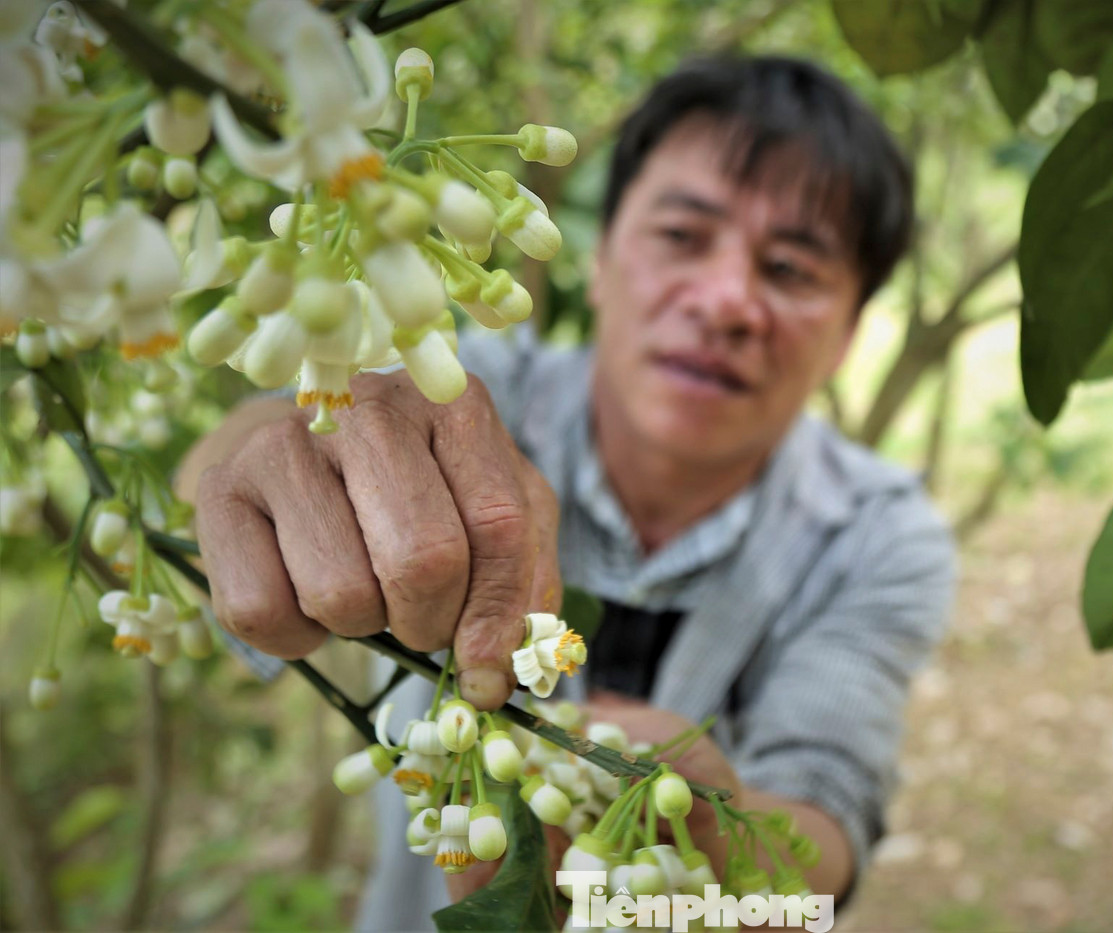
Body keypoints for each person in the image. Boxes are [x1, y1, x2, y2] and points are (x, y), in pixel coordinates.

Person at [180, 54, 955, 931]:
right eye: (682, 235)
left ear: (851, 330)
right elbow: (248, 444)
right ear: (599, 262)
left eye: (790, 268)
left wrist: (719, 836)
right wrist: (257, 479)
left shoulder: (881, 536)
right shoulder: (466, 391)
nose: (726, 300)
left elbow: (826, 806)